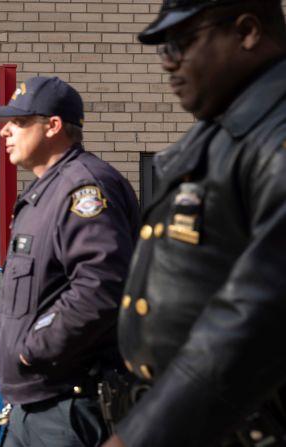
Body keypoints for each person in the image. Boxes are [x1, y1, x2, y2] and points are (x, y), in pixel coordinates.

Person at [101, 1, 286, 446]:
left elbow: (262, 312)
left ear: (247, 31)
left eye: (181, 44)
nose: (168, 63)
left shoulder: (275, 137)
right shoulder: (219, 133)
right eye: (163, 49)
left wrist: (143, 435)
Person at [0, 76, 140, 447]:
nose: (6, 131)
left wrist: (32, 348)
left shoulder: (84, 187)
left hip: (68, 408)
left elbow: (101, 284)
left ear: (53, 126)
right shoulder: (47, 190)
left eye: (18, 122)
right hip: (33, 404)